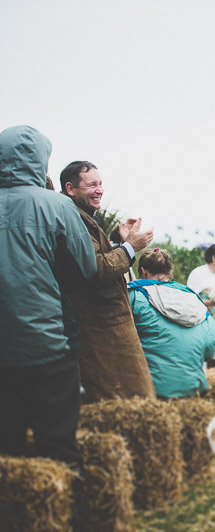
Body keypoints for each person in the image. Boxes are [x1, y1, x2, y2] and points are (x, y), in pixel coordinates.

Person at [0, 126, 97, 464]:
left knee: (7, 448)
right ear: (40, 161)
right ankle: (64, 493)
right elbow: (85, 269)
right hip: (48, 343)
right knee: (56, 446)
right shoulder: (57, 206)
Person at [60, 160, 155, 402]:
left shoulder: (82, 216)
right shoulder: (74, 220)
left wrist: (121, 242)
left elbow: (94, 259)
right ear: (70, 189)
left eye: (100, 184)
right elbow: (97, 269)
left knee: (129, 394)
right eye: (92, 185)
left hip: (107, 321)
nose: (99, 190)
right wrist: (130, 247)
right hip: (101, 325)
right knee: (123, 395)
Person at [128, 249, 215, 398]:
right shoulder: (193, 299)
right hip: (193, 389)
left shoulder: (133, 296)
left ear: (142, 271)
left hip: (148, 391)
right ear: (170, 272)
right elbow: (210, 345)